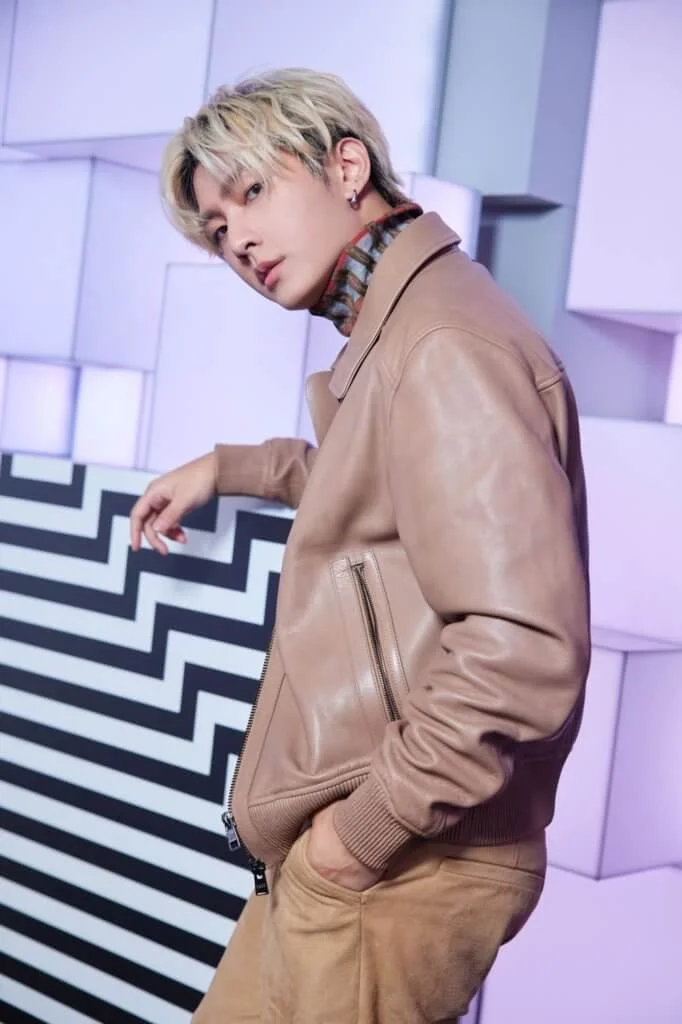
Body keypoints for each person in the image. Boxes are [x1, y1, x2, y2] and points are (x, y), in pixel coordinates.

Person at [129, 68, 590, 1024]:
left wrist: (357, 838)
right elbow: (390, 489)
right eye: (216, 228)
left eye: (252, 192)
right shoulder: (402, 330)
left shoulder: (440, 342)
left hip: (402, 859)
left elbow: (523, 650)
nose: (237, 240)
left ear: (347, 168)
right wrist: (236, 467)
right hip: (355, 853)